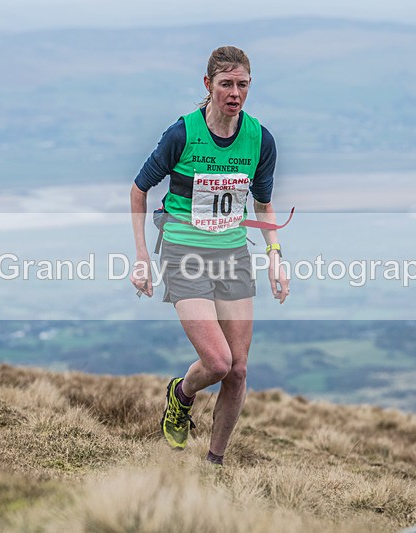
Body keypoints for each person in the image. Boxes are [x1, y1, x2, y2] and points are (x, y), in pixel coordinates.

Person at [129, 45, 289, 466]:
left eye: (242, 85)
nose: (234, 93)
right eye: (226, 84)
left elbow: (264, 203)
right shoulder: (182, 134)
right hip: (184, 250)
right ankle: (181, 394)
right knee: (217, 362)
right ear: (208, 85)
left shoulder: (259, 139)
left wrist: (275, 255)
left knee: (238, 369)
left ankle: (213, 464)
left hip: (233, 253)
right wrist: (142, 255)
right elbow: (139, 189)